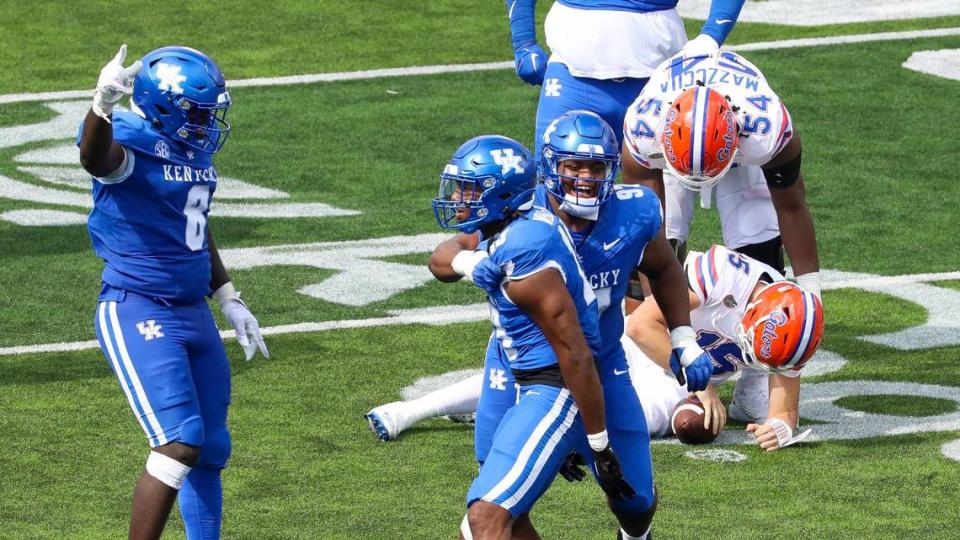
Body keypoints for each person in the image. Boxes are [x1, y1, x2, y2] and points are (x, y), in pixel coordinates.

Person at [378, 112, 714, 539]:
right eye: (573, 166)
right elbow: (443, 254)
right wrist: (469, 260)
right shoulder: (517, 214)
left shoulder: (632, 213)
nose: (585, 178)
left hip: (594, 364)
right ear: (550, 167)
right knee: (500, 505)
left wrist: (683, 339)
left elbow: (664, 270)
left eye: (596, 167)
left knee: (635, 501)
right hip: (519, 367)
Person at [78, 44, 268, 540]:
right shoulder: (132, 138)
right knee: (179, 442)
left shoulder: (195, 150)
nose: (208, 122)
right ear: (164, 107)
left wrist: (227, 294)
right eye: (198, 112)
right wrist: (101, 108)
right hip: (138, 305)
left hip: (193, 310)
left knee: (210, 447)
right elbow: (96, 159)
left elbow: (195, 226)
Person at [427, 133, 637, 539]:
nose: (457, 196)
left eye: (468, 188)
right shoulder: (507, 227)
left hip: (557, 389)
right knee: (499, 518)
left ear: (499, 193)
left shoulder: (528, 255)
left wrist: (597, 444)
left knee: (486, 517)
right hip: (530, 384)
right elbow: (438, 261)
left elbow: (576, 354)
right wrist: (469, 262)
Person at [621, 50, 821, 299]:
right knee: (662, 228)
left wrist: (813, 297)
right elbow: (649, 229)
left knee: (754, 231)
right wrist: (659, 314)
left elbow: (791, 207)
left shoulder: (765, 129)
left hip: (733, 146)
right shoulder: (644, 129)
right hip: (674, 155)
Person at [625, 245, 824, 450]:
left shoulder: (797, 330)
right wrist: (700, 384)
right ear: (752, 312)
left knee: (632, 419)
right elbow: (641, 326)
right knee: (595, 370)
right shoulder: (723, 275)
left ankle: (749, 394)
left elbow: (785, 412)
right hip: (651, 347)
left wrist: (778, 430)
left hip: (677, 385)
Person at [505, 0, 746, 157]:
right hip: (572, 73)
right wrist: (523, 40)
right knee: (555, 189)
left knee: (663, 216)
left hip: (657, 80)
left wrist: (712, 35)